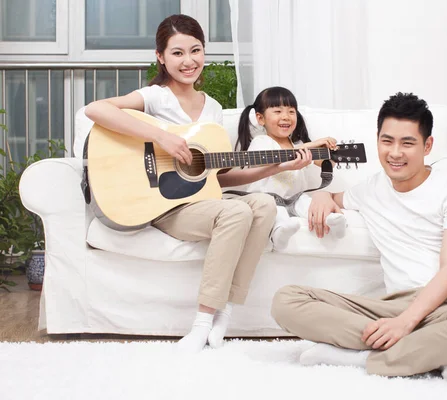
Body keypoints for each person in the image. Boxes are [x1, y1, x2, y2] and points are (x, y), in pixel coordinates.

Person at [84, 14, 311, 352]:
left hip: (202, 201)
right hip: (164, 206)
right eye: (177, 53)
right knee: (234, 214)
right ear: (160, 57)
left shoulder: (213, 109)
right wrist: (160, 137)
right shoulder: (156, 97)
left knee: (263, 204)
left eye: (195, 51)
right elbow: (95, 109)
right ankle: (203, 320)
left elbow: (217, 177)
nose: (188, 61)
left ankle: (226, 310)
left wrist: (272, 167)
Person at [270, 92, 447, 379]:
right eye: (387, 141)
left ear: (427, 145)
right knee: (286, 300)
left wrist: (405, 323)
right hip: (390, 306)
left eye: (407, 143)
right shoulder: (371, 189)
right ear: (378, 139)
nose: (395, 153)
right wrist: (321, 195)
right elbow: (334, 196)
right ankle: (429, 353)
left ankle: (360, 359)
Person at [236, 86, 347, 250]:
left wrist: (332, 155)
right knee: (277, 212)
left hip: (295, 198)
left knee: (308, 203)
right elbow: (276, 157)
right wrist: (310, 146)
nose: (286, 117)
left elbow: (324, 164)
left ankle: (332, 221)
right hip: (267, 200)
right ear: (261, 118)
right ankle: (280, 233)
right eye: (278, 111)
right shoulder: (261, 142)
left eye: (291, 111)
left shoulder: (299, 146)